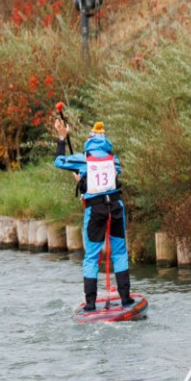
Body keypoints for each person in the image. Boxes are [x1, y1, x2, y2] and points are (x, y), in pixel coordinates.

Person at [54, 120, 135, 310]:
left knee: (91, 257)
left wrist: (62, 138)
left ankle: (90, 304)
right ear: (105, 140)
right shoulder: (114, 159)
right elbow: (113, 175)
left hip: (95, 210)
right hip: (115, 207)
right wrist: (84, 177)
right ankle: (126, 299)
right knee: (120, 252)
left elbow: (58, 162)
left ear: (89, 141)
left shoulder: (83, 159)